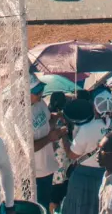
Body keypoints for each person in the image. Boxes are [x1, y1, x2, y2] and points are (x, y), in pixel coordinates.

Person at [62, 95, 112, 214]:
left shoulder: (86, 128)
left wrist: (64, 137)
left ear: (95, 109)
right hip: (111, 175)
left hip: (83, 176)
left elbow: (72, 154)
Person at [30, 75, 65, 212]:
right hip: (35, 173)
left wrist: (56, 119)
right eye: (36, 92)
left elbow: (47, 124)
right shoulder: (16, 114)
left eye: (41, 90)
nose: (40, 94)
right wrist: (50, 138)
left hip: (48, 167)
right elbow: (27, 148)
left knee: (46, 206)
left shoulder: (40, 103)